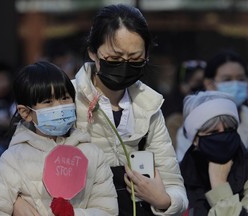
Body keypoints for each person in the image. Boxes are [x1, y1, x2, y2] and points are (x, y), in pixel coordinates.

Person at [13, 4, 188, 216]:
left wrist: (164, 201)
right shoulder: (63, 99)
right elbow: (18, 164)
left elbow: (174, 183)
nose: (124, 65)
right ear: (93, 53)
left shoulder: (149, 105)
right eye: (114, 58)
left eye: (135, 59)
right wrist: (16, 200)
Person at [0, 61, 118, 215]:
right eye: (48, 102)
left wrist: (73, 214)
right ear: (26, 112)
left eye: (65, 98)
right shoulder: (14, 159)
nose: (59, 107)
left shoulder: (93, 155)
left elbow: (107, 210)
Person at [180, 90, 248, 215]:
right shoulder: (178, 176)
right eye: (213, 132)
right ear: (195, 139)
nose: (223, 137)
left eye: (229, 129)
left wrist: (219, 184)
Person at [175, 49, 248, 162]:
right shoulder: (192, 124)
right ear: (209, 83)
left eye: (241, 79)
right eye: (227, 80)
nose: (236, 85)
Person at [164, 60, 206, 148]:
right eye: (197, 82)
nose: (203, 87)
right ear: (182, 86)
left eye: (205, 82)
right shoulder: (175, 122)